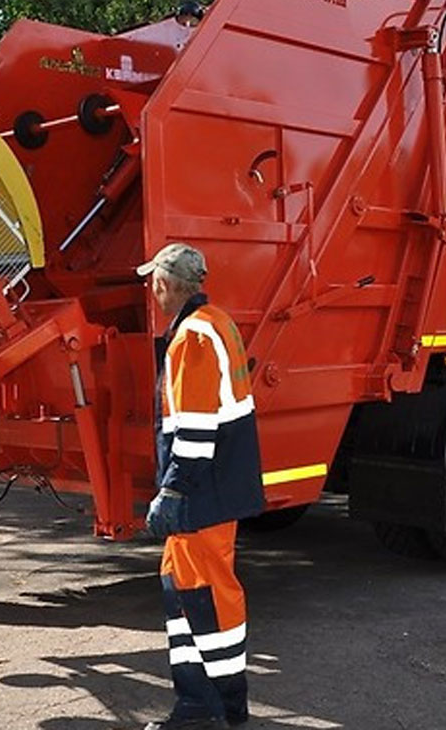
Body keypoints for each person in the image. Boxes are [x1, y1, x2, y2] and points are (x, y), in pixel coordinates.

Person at [138, 243, 266, 730]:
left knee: (205, 594)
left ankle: (219, 704)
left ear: (167, 286)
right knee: (181, 589)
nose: (152, 291)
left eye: (154, 283)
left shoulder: (190, 337)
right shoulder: (217, 322)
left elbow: (194, 432)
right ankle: (199, 700)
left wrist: (173, 492)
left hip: (202, 492)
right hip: (216, 488)